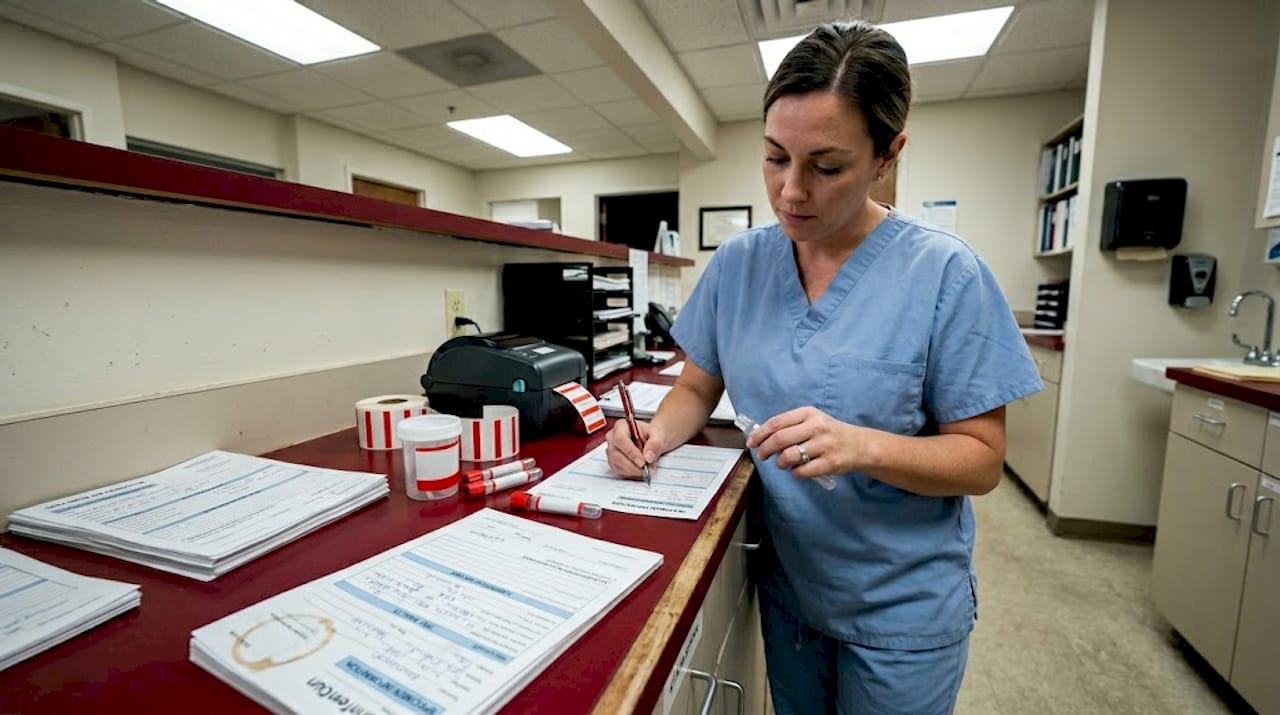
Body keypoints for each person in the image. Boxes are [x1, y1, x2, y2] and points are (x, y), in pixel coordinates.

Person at [604, 19, 1043, 715]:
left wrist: (862, 445)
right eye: (776, 158)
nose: (791, 192)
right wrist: (653, 434)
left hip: (900, 607)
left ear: (887, 155)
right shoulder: (741, 263)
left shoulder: (946, 273)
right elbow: (696, 383)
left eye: (826, 166)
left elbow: (981, 459)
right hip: (792, 589)